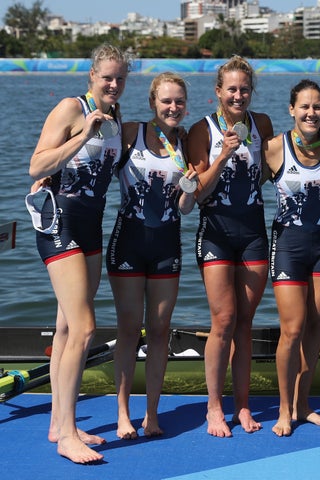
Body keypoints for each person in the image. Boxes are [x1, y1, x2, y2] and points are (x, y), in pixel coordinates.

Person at [27, 43, 132, 463]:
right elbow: (37, 166)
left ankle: (58, 422)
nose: (113, 84)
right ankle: (68, 435)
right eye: (107, 77)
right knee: (86, 328)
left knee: (68, 330)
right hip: (60, 223)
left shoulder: (118, 116)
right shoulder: (72, 108)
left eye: (121, 78)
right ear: (92, 76)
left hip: (90, 226)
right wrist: (83, 134)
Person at [186, 56, 274, 437]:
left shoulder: (263, 123)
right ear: (218, 92)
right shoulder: (200, 130)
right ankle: (213, 407)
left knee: (245, 322)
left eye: (244, 89)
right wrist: (222, 154)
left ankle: (242, 405)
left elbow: (275, 171)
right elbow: (199, 192)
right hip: (217, 233)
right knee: (222, 320)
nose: (239, 95)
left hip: (253, 231)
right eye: (232, 89)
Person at [107, 72, 196, 440]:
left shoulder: (187, 143)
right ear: (152, 103)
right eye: (166, 101)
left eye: (178, 102)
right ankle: (123, 415)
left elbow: (186, 207)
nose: (173, 108)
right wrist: (49, 180)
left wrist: (189, 188)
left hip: (166, 247)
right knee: (129, 330)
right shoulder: (130, 133)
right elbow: (96, 164)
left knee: (159, 331)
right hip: (128, 242)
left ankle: (152, 414)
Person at [263, 79, 320, 436]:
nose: (311, 112)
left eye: (317, 107)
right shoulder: (273, 148)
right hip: (288, 246)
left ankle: (304, 404)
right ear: (291, 110)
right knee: (292, 329)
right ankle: (284, 409)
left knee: (316, 328)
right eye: (304, 106)